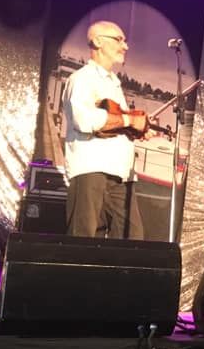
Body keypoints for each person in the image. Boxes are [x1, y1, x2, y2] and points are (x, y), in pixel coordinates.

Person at [62, 20, 146, 239]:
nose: (125, 46)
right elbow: (84, 119)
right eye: (119, 40)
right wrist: (128, 120)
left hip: (120, 172)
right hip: (91, 169)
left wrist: (137, 129)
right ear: (98, 41)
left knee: (131, 237)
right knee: (84, 238)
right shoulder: (81, 79)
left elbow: (117, 123)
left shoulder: (114, 83)